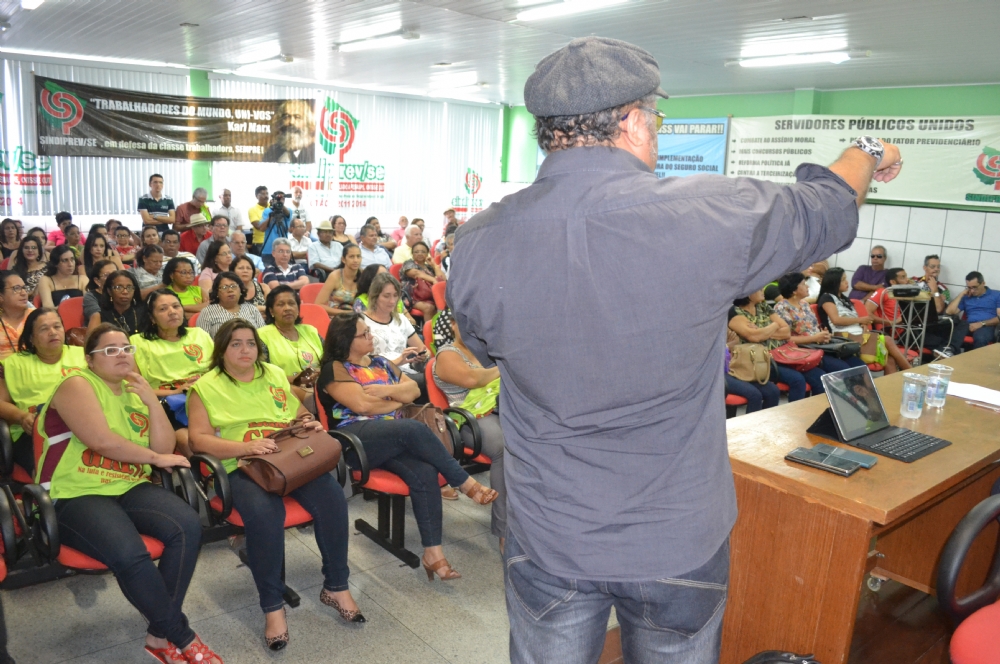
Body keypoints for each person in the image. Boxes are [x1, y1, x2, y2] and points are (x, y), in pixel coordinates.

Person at [447, 36, 905, 663]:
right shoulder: (711, 211)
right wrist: (870, 150)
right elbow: (825, 207)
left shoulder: (477, 240)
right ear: (633, 124)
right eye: (655, 119)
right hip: (676, 536)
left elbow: (483, 348)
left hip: (552, 533)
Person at [34, 323, 221, 664]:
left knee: (187, 526)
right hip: (75, 491)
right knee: (130, 553)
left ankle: (158, 635)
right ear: (90, 359)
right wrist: (155, 458)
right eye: (110, 349)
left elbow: (164, 446)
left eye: (126, 348)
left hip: (128, 485)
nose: (121, 353)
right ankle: (180, 635)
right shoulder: (78, 383)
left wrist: (151, 400)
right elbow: (102, 442)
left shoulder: (134, 393)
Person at [187, 319, 362, 651]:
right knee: (266, 515)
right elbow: (198, 440)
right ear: (221, 350)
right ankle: (272, 607)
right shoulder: (205, 386)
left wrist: (307, 423)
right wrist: (246, 447)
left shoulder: (273, 374)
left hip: (288, 459)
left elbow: (296, 413)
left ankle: (336, 587)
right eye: (235, 344)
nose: (245, 350)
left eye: (250, 343)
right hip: (241, 466)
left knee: (332, 499)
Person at [318, 313, 497, 581]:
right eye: (364, 333)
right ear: (346, 340)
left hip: (393, 436)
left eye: (369, 331)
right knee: (412, 428)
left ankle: (433, 554)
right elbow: (362, 406)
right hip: (356, 439)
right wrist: (395, 398)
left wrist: (385, 394)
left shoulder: (380, 363)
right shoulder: (336, 368)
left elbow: (413, 389)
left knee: (424, 471)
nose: (371, 336)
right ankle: (464, 482)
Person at [430, 308, 507, 543]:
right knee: (506, 448)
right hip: (469, 419)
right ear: (453, 325)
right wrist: (505, 366)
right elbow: (473, 379)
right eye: (465, 324)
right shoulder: (447, 354)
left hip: (500, 410)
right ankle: (505, 531)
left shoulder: (488, 352)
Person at [0, 308, 86, 475]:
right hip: (35, 432)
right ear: (31, 338)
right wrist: (21, 416)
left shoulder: (83, 356)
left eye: (57, 326)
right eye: (44, 329)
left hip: (84, 425)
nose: (52, 332)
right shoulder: (13, 364)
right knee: (57, 471)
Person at [132, 288, 214, 449]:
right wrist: (175, 392)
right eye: (163, 309)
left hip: (207, 396)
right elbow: (135, 388)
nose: (172, 312)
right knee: (189, 441)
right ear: (152, 318)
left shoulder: (199, 334)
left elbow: (219, 372)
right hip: (168, 404)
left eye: (176, 306)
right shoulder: (137, 342)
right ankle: (205, 473)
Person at [728, 290, 825, 400]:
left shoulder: (763, 305)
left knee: (819, 376)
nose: (763, 291)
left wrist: (763, 331)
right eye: (759, 289)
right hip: (761, 359)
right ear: (748, 293)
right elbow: (754, 337)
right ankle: (794, 415)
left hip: (784, 352)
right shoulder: (735, 312)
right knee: (797, 380)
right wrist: (775, 325)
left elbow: (787, 332)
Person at [817, 267, 912, 373]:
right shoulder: (827, 298)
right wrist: (861, 320)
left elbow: (860, 321)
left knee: (890, 358)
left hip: (858, 335)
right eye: (843, 280)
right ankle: (912, 372)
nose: (847, 282)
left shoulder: (845, 300)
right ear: (834, 282)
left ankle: (891, 387)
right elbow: (836, 320)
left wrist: (864, 325)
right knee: (888, 340)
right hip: (842, 338)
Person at [774, 271, 866, 372]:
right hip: (803, 349)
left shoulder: (804, 304)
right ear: (794, 290)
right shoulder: (782, 308)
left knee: (859, 365)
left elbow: (814, 328)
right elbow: (785, 339)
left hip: (819, 345)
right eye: (804, 284)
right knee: (843, 368)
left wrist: (823, 334)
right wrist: (815, 337)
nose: (807, 287)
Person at [363, 273, 428, 399]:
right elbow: (359, 362)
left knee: (438, 373)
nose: (392, 301)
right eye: (386, 296)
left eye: (395, 295)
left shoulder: (401, 319)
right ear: (375, 296)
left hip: (406, 370)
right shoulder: (361, 322)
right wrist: (397, 361)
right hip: (379, 373)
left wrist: (423, 355)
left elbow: (422, 349)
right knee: (427, 381)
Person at [257, 285, 323, 404]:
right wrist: (294, 379)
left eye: (291, 303)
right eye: (281, 304)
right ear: (271, 311)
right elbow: (260, 373)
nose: (287, 308)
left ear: (298, 308)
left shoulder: (311, 331)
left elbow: (331, 359)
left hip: (318, 384)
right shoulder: (261, 336)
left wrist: (320, 371)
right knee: (318, 399)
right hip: (283, 388)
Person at [911, 255, 967, 358]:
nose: (936, 269)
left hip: (933, 324)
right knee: (949, 345)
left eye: (938, 267)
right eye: (933, 266)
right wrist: (935, 296)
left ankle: (947, 349)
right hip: (916, 323)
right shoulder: (914, 282)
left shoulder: (943, 289)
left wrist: (935, 290)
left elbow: (939, 309)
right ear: (925, 267)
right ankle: (948, 349)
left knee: (961, 323)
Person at [196, 271, 266, 339]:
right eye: (224, 287)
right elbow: (203, 343)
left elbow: (264, 337)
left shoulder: (252, 309)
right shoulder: (207, 313)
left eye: (234, 286)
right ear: (217, 292)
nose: (230, 290)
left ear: (241, 290)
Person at [946, 271, 1000, 349]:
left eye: (975, 287)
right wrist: (961, 294)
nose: (972, 291)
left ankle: (976, 361)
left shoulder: (996, 295)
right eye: (969, 288)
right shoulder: (967, 297)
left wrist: (981, 323)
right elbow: (949, 312)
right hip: (968, 325)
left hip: (987, 326)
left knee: (980, 338)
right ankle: (949, 353)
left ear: (983, 283)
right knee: (948, 330)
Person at [88, 271, 146, 337]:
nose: (125, 292)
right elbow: (91, 342)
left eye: (129, 287)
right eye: (119, 287)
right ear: (109, 291)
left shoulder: (144, 312)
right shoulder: (100, 315)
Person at [401, 241, 446, 320]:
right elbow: (417, 273)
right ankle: (428, 331)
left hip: (430, 296)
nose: (419, 254)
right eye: (416, 252)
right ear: (412, 254)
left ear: (427, 253)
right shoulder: (408, 264)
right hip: (412, 297)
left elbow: (442, 279)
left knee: (444, 305)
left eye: (423, 252)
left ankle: (439, 328)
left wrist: (434, 265)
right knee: (429, 307)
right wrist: (433, 280)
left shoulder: (428, 267)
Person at [315, 244, 362, 315]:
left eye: (358, 256)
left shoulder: (364, 275)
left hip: (358, 318)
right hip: (337, 318)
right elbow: (318, 304)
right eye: (351, 257)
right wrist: (347, 313)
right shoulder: (335, 276)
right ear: (343, 259)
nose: (356, 260)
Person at [0, 273, 31, 361]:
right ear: (1, 296)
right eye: (16, 288)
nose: (24, 293)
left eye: (24, 288)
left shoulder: (37, 318)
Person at [259, 192, 291, 263]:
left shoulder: (288, 211)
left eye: (282, 199)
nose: (280, 201)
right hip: (268, 250)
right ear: (273, 200)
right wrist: (273, 214)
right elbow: (262, 228)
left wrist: (280, 205)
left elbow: (288, 214)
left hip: (284, 251)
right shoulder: (267, 211)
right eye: (278, 199)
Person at [248, 186, 269, 253]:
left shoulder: (272, 207)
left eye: (267, 193)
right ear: (257, 196)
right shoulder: (252, 210)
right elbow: (258, 226)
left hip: (273, 241)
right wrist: (271, 216)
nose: (266, 196)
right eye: (263, 194)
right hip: (260, 243)